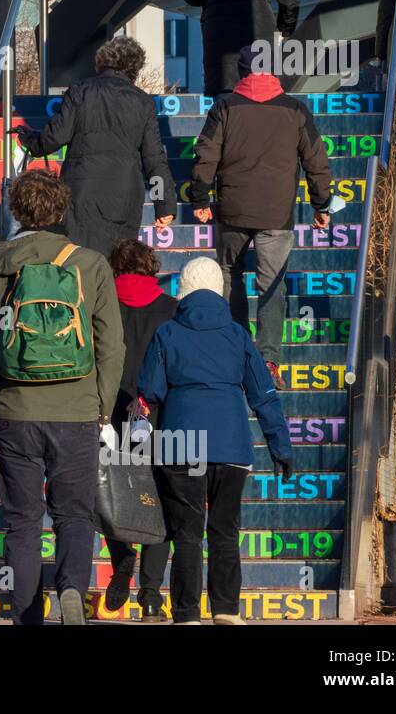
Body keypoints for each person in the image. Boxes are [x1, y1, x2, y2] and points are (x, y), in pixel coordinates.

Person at [0, 169, 125, 625]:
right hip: (76, 412)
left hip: (14, 411)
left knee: (23, 521)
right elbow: (112, 346)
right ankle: (72, 590)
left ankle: (27, 613)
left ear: (17, 210)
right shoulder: (91, 264)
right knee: (75, 514)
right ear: (61, 209)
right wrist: (101, 409)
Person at [136, 257, 293, 625]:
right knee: (225, 531)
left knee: (186, 534)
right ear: (220, 291)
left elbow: (151, 391)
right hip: (231, 443)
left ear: (184, 290)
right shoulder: (238, 335)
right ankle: (225, 610)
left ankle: (187, 613)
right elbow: (263, 395)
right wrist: (280, 447)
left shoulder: (167, 332)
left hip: (180, 442)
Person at [190, 45, 333, 387]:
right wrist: (321, 204)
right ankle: (268, 359)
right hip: (276, 213)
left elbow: (206, 154)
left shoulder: (224, 107)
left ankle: (235, 351)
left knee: (229, 275)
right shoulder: (295, 109)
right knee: (272, 283)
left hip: (232, 209)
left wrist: (200, 196)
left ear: (241, 73)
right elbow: (316, 159)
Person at [17, 35, 176, 257]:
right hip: (125, 198)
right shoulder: (143, 102)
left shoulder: (81, 91)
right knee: (118, 263)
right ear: (135, 67)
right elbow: (155, 159)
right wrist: (164, 204)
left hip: (81, 193)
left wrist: (29, 140)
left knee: (78, 260)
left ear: (102, 61)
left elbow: (55, 137)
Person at [101, 238, 177, 622]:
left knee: (108, 493)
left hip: (109, 412)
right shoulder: (171, 309)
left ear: (115, 268)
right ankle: (150, 595)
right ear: (152, 267)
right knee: (159, 501)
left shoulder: (103, 304)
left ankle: (122, 557)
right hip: (158, 416)